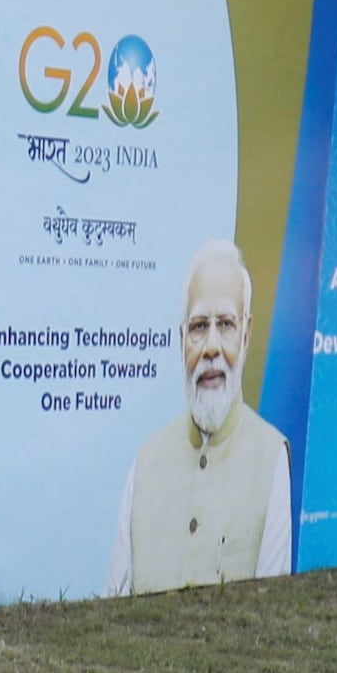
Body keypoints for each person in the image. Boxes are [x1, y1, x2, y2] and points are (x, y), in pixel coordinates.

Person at [112, 238, 294, 590]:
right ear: (182, 341)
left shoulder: (271, 458)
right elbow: (112, 601)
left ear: (246, 334)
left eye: (225, 324)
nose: (211, 347)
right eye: (198, 327)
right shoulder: (146, 462)